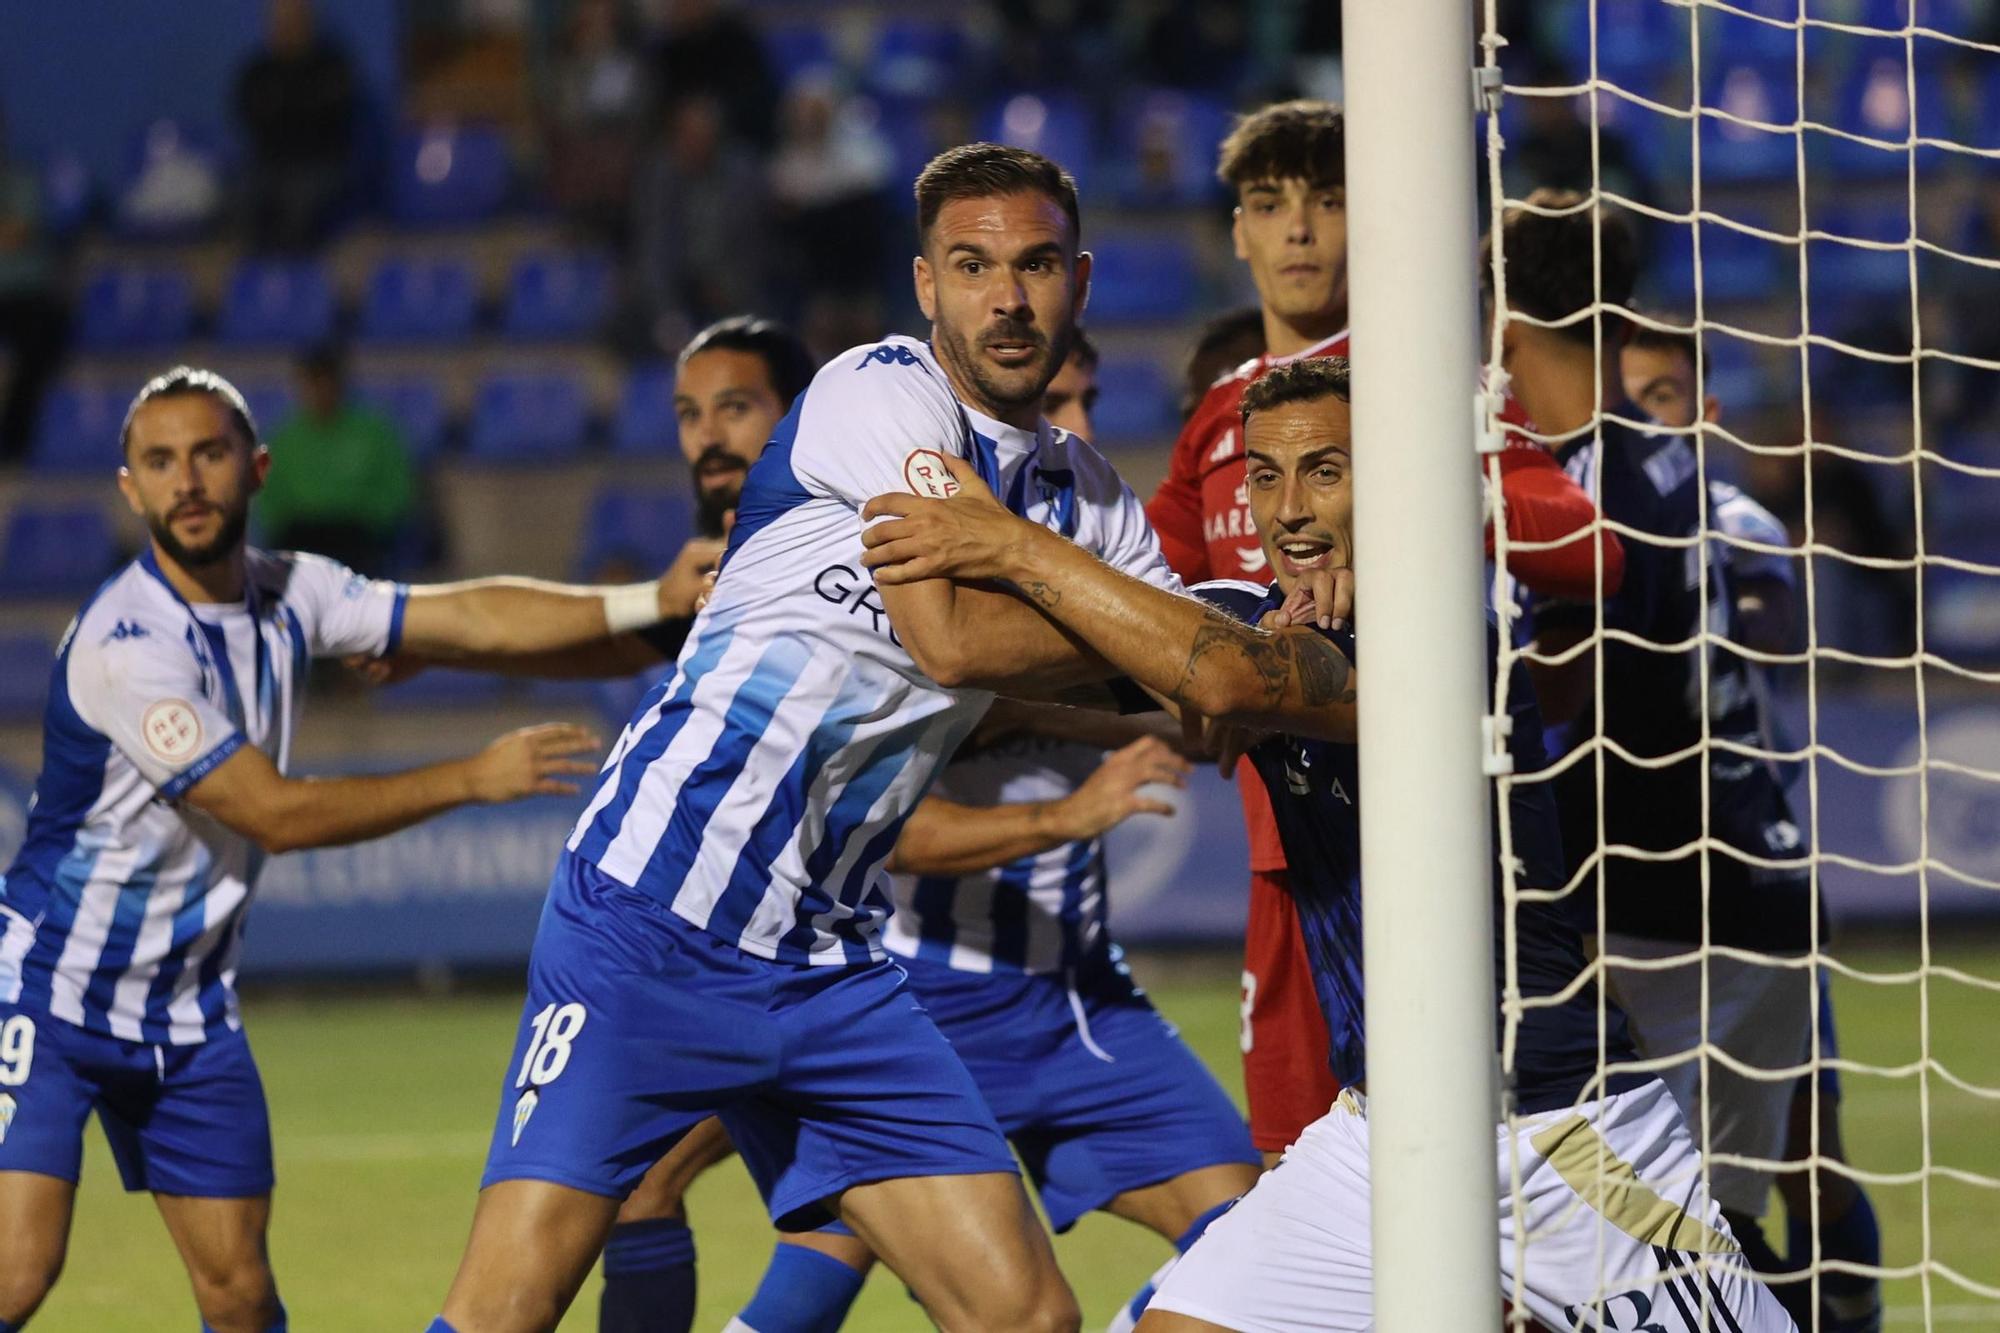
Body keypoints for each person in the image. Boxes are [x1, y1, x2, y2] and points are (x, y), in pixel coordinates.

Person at [426, 143, 1241, 1333]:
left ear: (1079, 276)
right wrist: (1140, 637)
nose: (1005, 298)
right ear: (925, 284)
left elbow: (1205, 703)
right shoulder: (879, 391)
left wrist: (1231, 643)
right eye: (971, 266)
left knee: (1027, 1315)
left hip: (829, 961)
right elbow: (954, 640)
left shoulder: (1095, 502)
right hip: (650, 917)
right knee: (509, 1307)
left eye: (1032, 266)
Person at [856, 355, 1794, 1332]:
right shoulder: (1244, 624)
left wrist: (1013, 547)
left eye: (1325, 472)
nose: (1288, 510)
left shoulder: (1449, 636)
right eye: (1263, 477)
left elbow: (1228, 685)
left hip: (1555, 1132)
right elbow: (986, 658)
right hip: (1376, 1133)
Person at [0, 365, 706, 1332]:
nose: (187, 481)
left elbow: (469, 615)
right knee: (17, 1272)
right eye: (158, 462)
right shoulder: (127, 646)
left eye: (208, 454)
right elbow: (274, 815)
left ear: (257, 468)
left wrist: (646, 605)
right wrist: (469, 776)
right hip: (45, 987)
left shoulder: (294, 590)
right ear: (129, 489)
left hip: (185, 1010)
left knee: (242, 1296)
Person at [1147, 98, 1620, 1165]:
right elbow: (1143, 594)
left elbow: (1587, 546)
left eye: (1329, 201)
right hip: (1290, 858)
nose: (1300, 232)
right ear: (1236, 231)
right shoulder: (1218, 416)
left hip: (1439, 846)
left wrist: (1414, 503)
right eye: (1269, 206)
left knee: (1479, 1184)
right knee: (1296, 1172)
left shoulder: (1423, 379)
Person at [1498, 192, 1822, 1324]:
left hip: (1643, 911)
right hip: (1748, 887)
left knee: (1600, 1249)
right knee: (1702, 1236)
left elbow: (1577, 697)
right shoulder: (1662, 460)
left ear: (1497, 317)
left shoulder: (1585, 487)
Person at [1622, 324, 1881, 1332]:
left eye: (1659, 394)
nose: (1641, 414)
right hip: (1636, 895)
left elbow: (1772, 620)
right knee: (1658, 1174)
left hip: (1746, 882)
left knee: (1805, 1157)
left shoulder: (1727, 516)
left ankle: (1852, 1313)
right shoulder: (1582, 514)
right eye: (1626, 395)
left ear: (1702, 411)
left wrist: (1683, 582)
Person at [256, 343, 417, 577]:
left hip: (357, 532)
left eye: (326, 382)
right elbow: (268, 496)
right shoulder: (284, 438)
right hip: (301, 535)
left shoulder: (375, 432)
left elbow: (396, 488)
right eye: (312, 382)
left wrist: (374, 519)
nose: (320, 391)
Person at [233, 0, 359, 251]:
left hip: (321, 165)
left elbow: (331, 115)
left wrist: (285, 106)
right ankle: (255, 277)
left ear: (308, 24)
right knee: (244, 195)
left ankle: (298, 277)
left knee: (299, 199)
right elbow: (248, 114)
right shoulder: (258, 71)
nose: (286, 28)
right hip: (270, 165)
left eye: (293, 21)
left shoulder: (331, 66)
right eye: (280, 22)